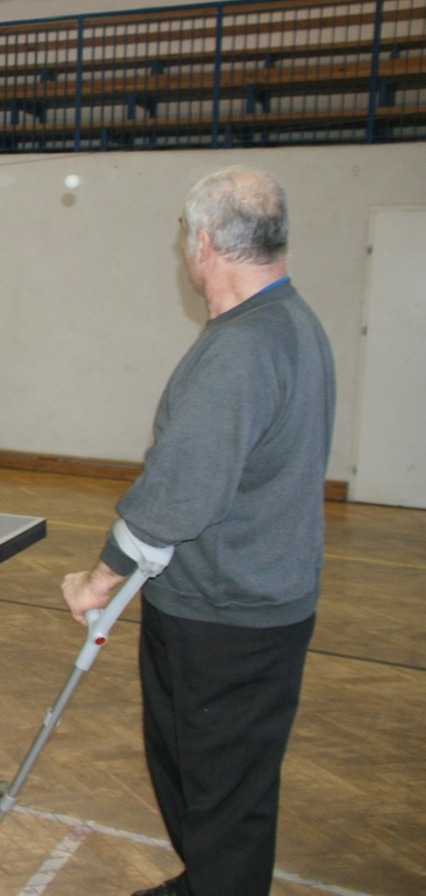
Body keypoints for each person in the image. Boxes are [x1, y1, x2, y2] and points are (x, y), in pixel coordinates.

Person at [62, 168, 335, 896]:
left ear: (205, 243)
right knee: (214, 788)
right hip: (252, 602)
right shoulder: (291, 321)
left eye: (186, 233)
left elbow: (176, 498)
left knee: (222, 801)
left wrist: (96, 581)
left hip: (224, 620)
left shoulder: (242, 349)